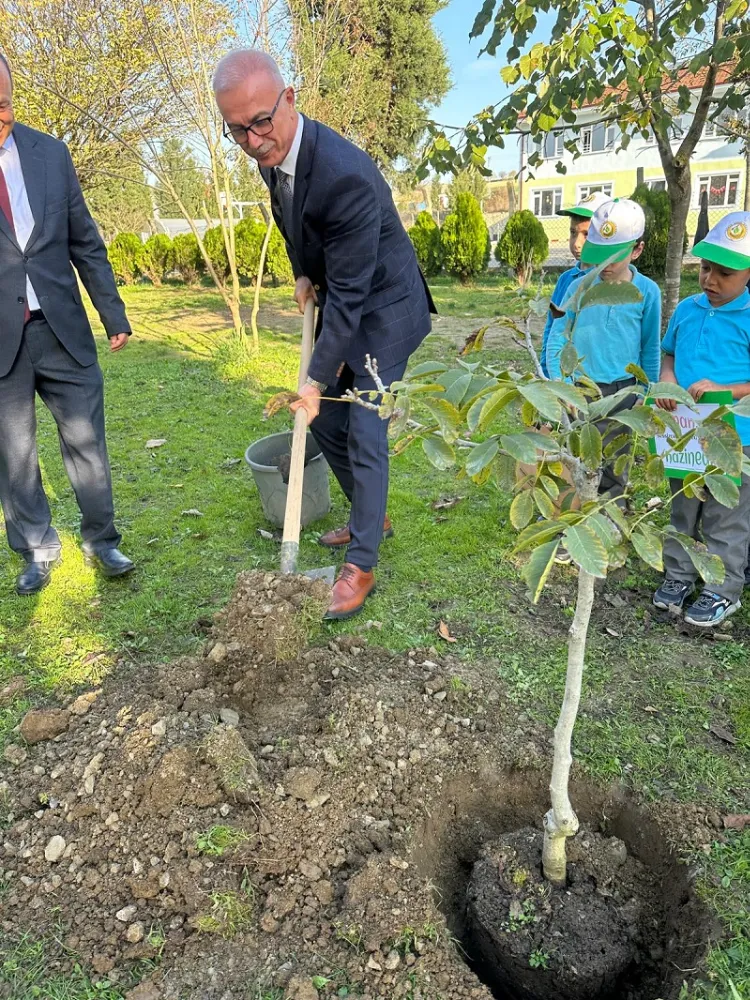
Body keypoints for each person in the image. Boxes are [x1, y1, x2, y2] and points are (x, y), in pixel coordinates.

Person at [212, 50, 435, 620]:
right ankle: (372, 512)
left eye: (261, 121)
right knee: (329, 418)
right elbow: (292, 223)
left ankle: (362, 562)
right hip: (341, 297)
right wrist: (303, 273)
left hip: (385, 309)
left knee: (362, 423)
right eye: (236, 129)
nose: (253, 141)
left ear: (290, 99)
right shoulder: (272, 158)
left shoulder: (345, 175)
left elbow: (355, 300)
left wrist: (313, 379)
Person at [0, 53, 134, 596]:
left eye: (4, 102)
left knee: (87, 442)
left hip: (62, 328)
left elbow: (85, 240)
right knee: (14, 452)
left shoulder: (51, 154)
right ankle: (35, 547)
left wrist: (113, 312)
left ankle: (102, 539)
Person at [653, 212, 750, 627]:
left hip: (733, 437)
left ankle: (722, 588)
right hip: (684, 434)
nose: (710, 280)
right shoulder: (688, 310)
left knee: (725, 513)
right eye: (705, 268)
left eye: (724, 273)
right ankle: (678, 573)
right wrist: (668, 381)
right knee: (683, 505)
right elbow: (669, 353)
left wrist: (725, 390)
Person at [545, 198, 661, 501]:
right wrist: (562, 384)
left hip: (623, 394)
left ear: (637, 250)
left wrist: (644, 393)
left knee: (613, 464)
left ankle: (611, 524)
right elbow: (558, 336)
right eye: (599, 255)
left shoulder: (648, 292)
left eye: (614, 257)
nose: (604, 266)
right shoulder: (578, 287)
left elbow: (650, 347)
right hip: (580, 390)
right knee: (577, 462)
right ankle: (573, 527)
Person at [540, 191, 612, 376]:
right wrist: (545, 370)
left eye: (586, 234)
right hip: (563, 375)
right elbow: (552, 326)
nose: (577, 243)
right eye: (573, 233)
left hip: (598, 378)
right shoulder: (566, 280)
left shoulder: (611, 282)